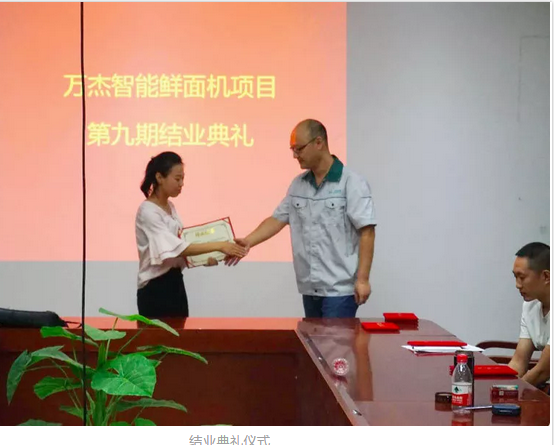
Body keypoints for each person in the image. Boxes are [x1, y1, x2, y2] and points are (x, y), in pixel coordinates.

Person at [227, 119, 376, 318]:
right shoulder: (298, 184)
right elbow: (277, 219)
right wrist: (248, 242)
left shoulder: (352, 182)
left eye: (299, 149)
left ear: (319, 142)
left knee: (333, 339)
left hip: (340, 289)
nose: (295, 155)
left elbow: (367, 232)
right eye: (293, 150)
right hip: (310, 288)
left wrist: (363, 279)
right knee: (312, 338)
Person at [136, 151, 247, 318]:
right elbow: (175, 248)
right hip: (154, 288)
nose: (181, 184)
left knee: (180, 334)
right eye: (177, 179)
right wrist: (219, 245)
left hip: (175, 283)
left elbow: (181, 245)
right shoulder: (148, 211)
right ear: (159, 177)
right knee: (159, 335)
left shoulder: (170, 206)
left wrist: (205, 258)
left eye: (183, 179)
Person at [508, 242, 550, 387]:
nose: (517, 285)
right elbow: (519, 362)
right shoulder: (530, 305)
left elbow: (542, 371)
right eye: (515, 277)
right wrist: (501, 386)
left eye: (522, 277)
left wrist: (513, 391)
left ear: (546, 276)